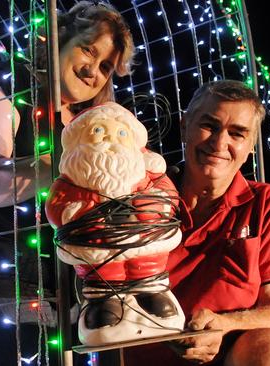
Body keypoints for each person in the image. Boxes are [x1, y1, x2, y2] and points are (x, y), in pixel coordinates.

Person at [0, 1, 135, 363]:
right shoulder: (3, 84)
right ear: (60, 38)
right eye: (89, 49)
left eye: (106, 67)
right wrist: (70, 168)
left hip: (65, 291)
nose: (93, 71)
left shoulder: (89, 123)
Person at [124, 80, 270, 365]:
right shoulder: (140, 195)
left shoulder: (268, 204)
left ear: (251, 146)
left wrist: (222, 325)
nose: (219, 143)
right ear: (184, 125)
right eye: (210, 126)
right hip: (139, 355)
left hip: (227, 356)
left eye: (237, 133)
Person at [45, 102, 184, 346]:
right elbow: (56, 206)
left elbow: (168, 195)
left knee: (147, 266)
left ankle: (152, 293)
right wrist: (77, 213)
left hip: (145, 239)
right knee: (102, 274)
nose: (110, 140)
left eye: (121, 133)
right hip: (96, 245)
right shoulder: (71, 178)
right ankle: (104, 301)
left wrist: (153, 206)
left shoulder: (148, 171)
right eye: (99, 131)